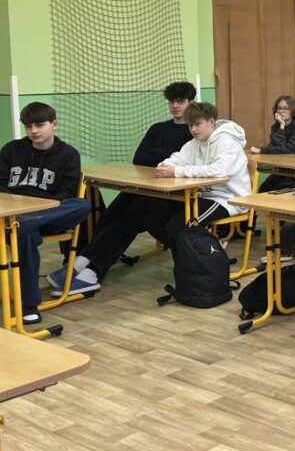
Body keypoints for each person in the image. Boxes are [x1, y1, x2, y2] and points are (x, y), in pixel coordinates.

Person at [46, 82, 195, 295]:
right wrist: (166, 156)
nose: (175, 106)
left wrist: (157, 155)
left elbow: (181, 162)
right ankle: (83, 261)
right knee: (112, 213)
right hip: (147, 185)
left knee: (131, 216)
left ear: (190, 102)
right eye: (172, 101)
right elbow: (139, 158)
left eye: (180, 101)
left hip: (173, 193)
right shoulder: (158, 128)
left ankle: (93, 271)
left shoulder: (193, 131)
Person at [0, 102, 90, 324]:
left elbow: (66, 194)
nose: (34, 131)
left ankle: (25, 220)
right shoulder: (11, 149)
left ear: (54, 124)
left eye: (39, 125)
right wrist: (17, 207)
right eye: (28, 126)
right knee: (25, 234)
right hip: (13, 215)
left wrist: (34, 209)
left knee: (81, 205)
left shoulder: (68, 154)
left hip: (47, 216)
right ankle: (29, 305)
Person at [142, 102, 250, 256]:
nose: (193, 129)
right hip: (200, 196)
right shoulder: (194, 143)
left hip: (228, 200)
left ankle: (204, 257)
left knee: (179, 227)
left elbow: (219, 171)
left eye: (198, 124)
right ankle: (200, 254)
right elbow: (176, 159)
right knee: (153, 221)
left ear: (211, 122)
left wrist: (177, 171)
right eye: (190, 125)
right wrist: (164, 166)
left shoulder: (227, 141)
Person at [250, 95, 295, 192]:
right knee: (263, 189)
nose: (282, 111)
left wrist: (262, 150)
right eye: (279, 108)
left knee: (278, 189)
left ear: (293, 110)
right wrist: (282, 126)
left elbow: (289, 150)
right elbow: (275, 146)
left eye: (286, 108)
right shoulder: (277, 126)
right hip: (283, 169)